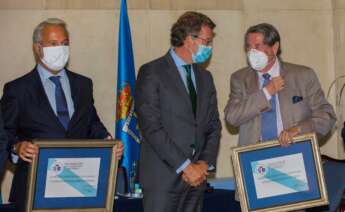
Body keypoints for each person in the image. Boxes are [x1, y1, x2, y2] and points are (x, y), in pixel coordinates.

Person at [1, 18, 124, 210]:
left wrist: (108, 141)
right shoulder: (17, 90)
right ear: (38, 48)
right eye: (53, 44)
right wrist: (18, 148)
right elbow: (4, 137)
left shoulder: (83, 84)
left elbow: (91, 123)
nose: (61, 49)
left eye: (65, 43)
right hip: (33, 190)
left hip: (80, 188)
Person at [224, 23, 337, 210]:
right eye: (248, 46)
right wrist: (266, 93)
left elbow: (326, 117)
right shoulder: (239, 79)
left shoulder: (303, 75)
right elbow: (232, 117)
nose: (252, 51)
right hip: (256, 168)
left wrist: (298, 129)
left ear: (274, 47)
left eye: (257, 46)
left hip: (294, 165)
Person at [135, 11, 221, 212]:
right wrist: (186, 166)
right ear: (189, 39)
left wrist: (202, 163)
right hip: (163, 180)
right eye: (206, 41)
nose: (209, 47)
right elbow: (151, 127)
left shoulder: (205, 77)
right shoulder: (152, 72)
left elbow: (214, 126)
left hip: (196, 180)